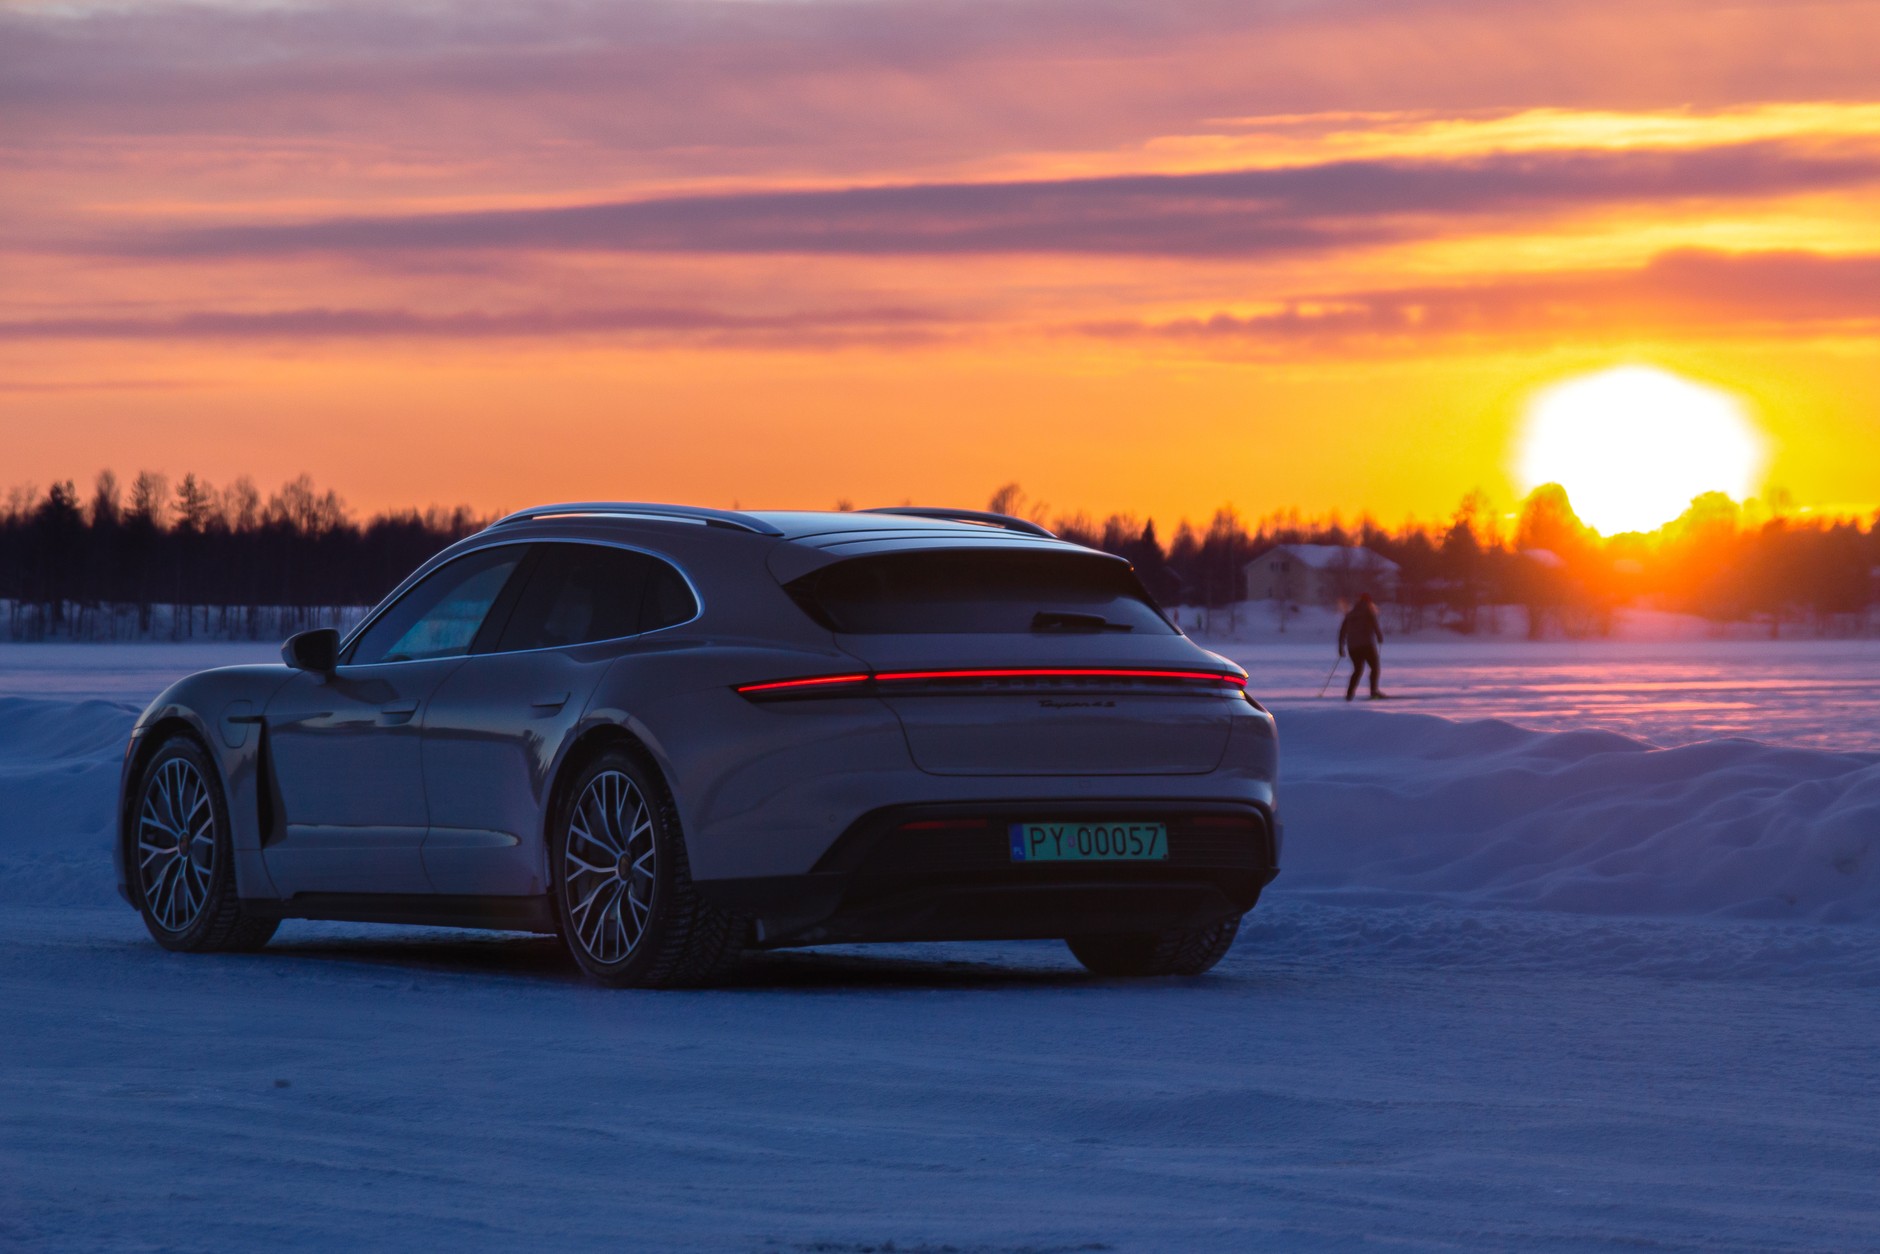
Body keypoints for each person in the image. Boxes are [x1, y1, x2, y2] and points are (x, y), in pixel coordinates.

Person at [1337, 593, 1386, 701]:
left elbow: (1342, 631)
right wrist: (1379, 637)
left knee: (1357, 670)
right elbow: (1375, 625)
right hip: (1366, 645)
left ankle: (1349, 694)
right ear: (1369, 601)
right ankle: (1374, 692)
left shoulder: (1350, 614)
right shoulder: (1368, 611)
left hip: (1353, 647)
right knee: (1374, 668)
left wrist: (1341, 647)